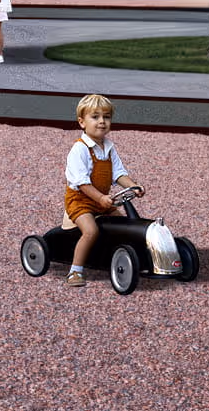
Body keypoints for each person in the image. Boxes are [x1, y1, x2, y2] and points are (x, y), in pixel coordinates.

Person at [61, 93, 139, 281]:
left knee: (125, 227)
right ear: (82, 122)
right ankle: (75, 271)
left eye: (106, 117)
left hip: (101, 201)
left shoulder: (109, 148)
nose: (102, 122)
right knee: (91, 231)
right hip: (80, 202)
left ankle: (116, 257)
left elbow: (119, 173)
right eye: (95, 117)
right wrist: (101, 198)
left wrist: (133, 185)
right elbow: (82, 183)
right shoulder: (79, 149)